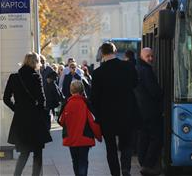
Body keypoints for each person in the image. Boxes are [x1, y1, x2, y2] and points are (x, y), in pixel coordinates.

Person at [90, 42, 137, 176]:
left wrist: (98, 115)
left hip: (107, 117)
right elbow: (135, 84)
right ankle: (126, 168)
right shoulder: (128, 66)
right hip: (126, 113)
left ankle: (115, 173)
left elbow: (94, 98)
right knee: (126, 144)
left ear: (102, 54)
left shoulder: (98, 73)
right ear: (115, 51)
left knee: (110, 148)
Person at [3, 52, 52, 176]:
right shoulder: (36, 77)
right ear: (35, 62)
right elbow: (42, 100)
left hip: (20, 120)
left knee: (24, 153)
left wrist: (17, 109)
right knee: (38, 153)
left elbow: (6, 99)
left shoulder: (14, 77)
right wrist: (38, 111)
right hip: (35, 120)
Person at [59, 80, 102, 176]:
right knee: (83, 161)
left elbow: (61, 120)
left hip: (71, 137)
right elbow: (93, 121)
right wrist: (99, 136)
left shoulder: (67, 103)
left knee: (75, 161)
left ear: (71, 91)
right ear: (82, 90)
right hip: (84, 137)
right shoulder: (86, 103)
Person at [134, 47, 164, 176]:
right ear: (142, 57)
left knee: (144, 137)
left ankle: (143, 162)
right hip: (150, 110)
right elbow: (154, 91)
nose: (151, 59)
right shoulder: (146, 70)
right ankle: (148, 164)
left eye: (152, 56)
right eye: (148, 56)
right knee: (157, 137)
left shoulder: (137, 69)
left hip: (141, 110)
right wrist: (161, 93)